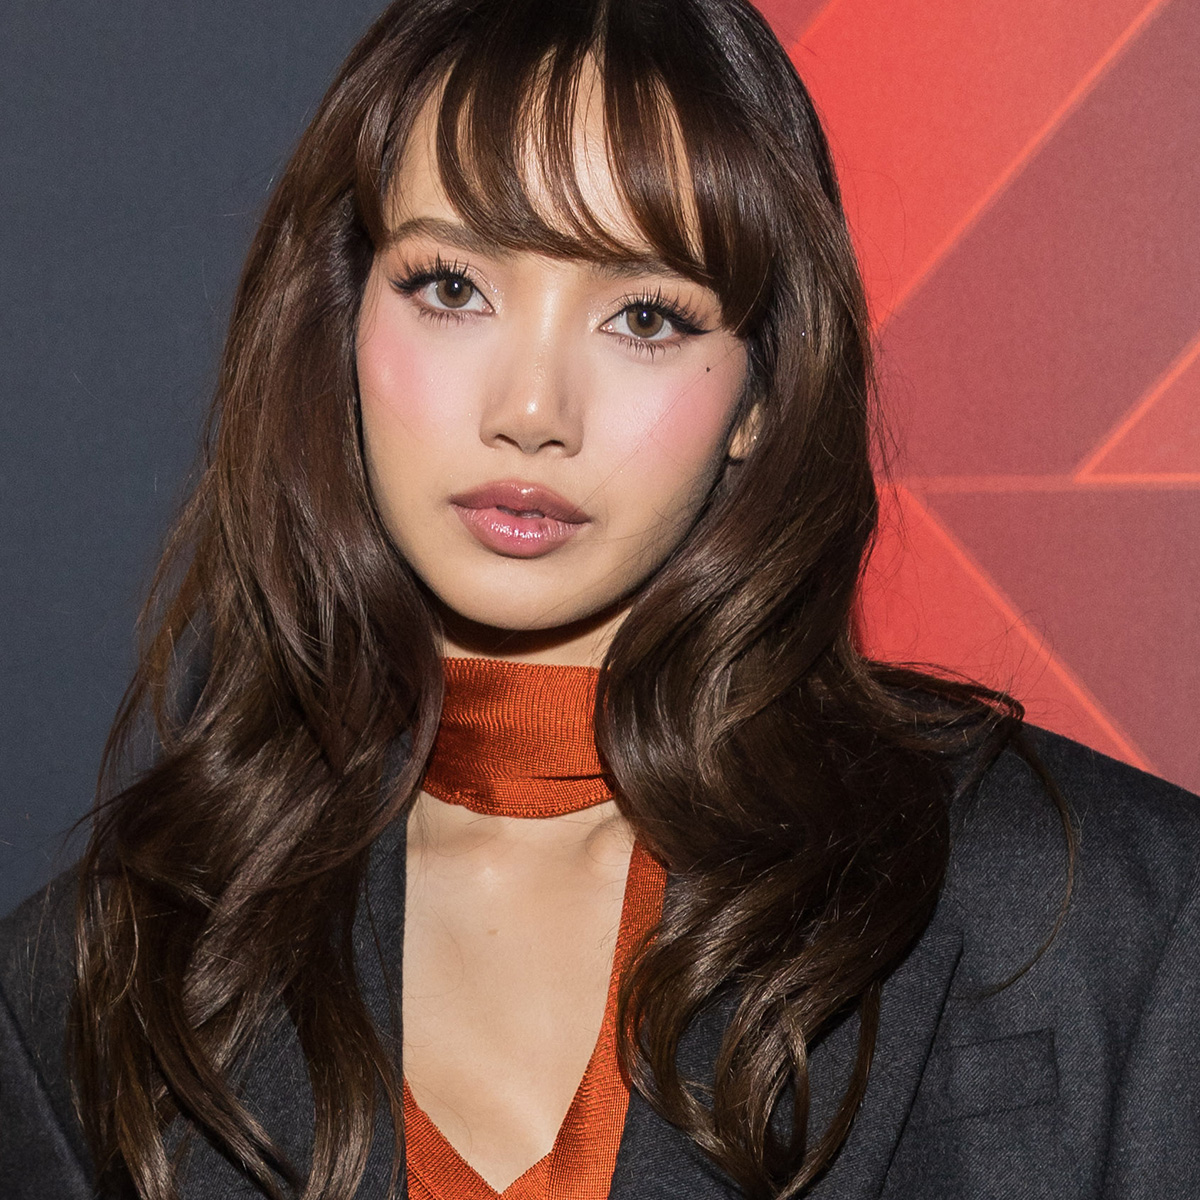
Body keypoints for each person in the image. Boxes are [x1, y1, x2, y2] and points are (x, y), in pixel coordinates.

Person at [2, 0, 1198, 1197]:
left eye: (645, 316)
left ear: (760, 396)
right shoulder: (90, 983)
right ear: (342, 324)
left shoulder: (1107, 916)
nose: (531, 409)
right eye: (452, 288)